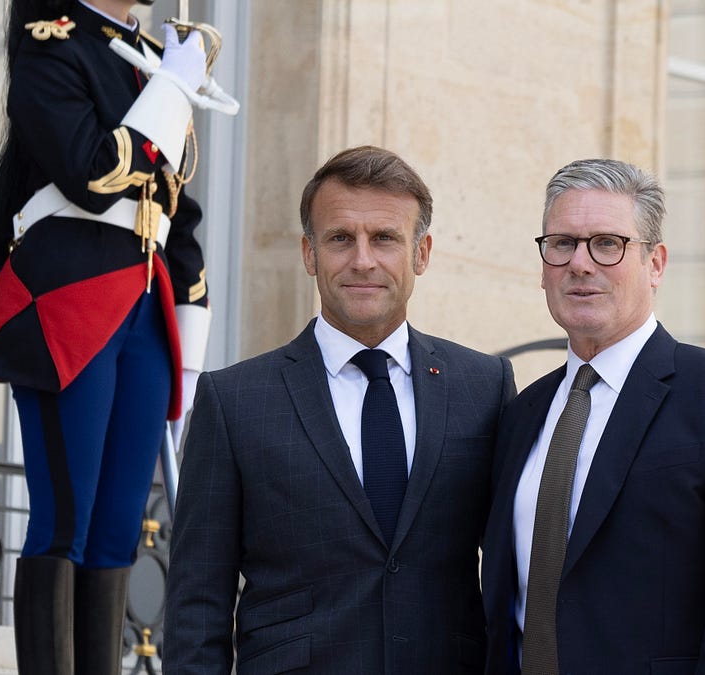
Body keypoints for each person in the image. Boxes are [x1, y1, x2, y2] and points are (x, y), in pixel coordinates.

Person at [163, 145, 517, 673]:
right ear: (309, 253)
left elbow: (517, 571)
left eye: (385, 238)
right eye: (340, 238)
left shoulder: (484, 387)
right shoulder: (233, 401)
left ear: (421, 254)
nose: (363, 260)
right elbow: (197, 604)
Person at [481, 158, 705, 674]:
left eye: (607, 244)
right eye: (562, 243)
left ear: (655, 264)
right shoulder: (523, 413)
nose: (580, 263)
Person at [0, 1, 211, 672]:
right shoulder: (53, 44)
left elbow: (174, 208)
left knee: (117, 533)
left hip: (146, 308)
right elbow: (93, 174)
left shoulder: (151, 61)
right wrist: (171, 89)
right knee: (65, 523)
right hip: (71, 302)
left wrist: (190, 330)